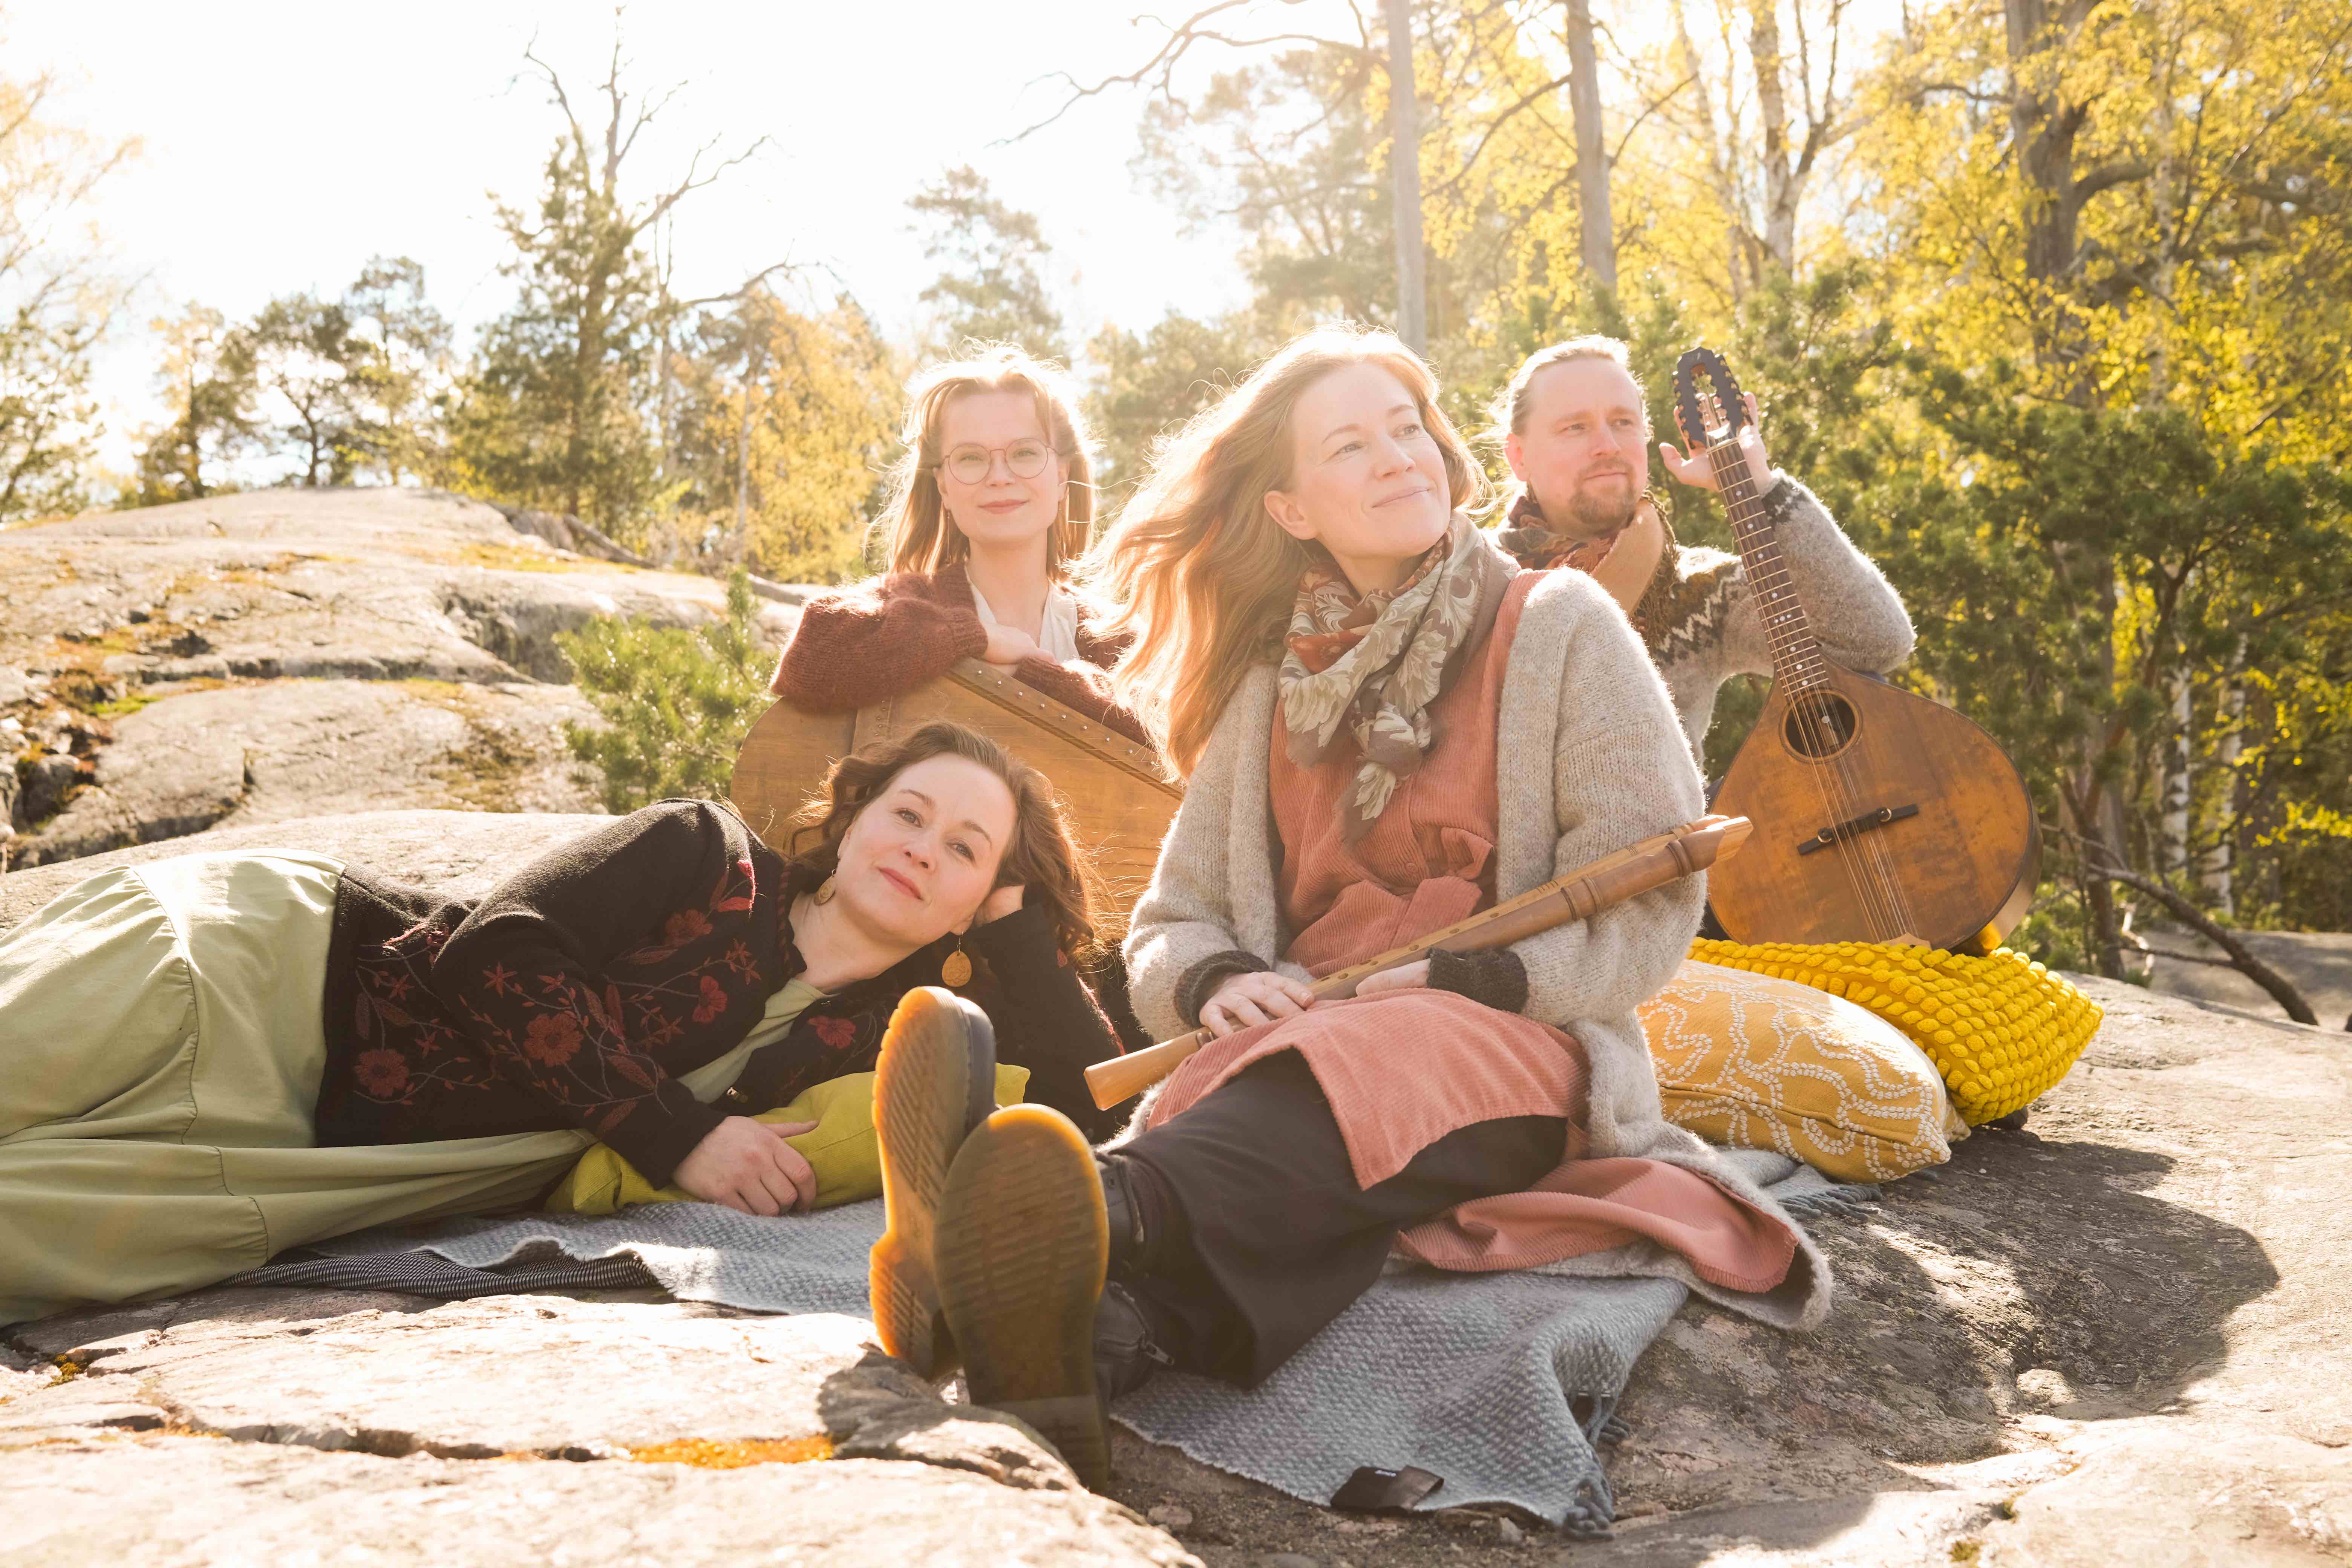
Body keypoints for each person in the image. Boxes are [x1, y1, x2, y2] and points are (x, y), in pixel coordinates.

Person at [867, 325, 1830, 1489]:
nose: (1397, 457)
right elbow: (1175, 919)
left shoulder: (1562, 624)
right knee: (1256, 1086)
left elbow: (1651, 903)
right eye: (1350, 446)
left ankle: (1073, 1209)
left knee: (1368, 1053)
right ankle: (1075, 1351)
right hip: (1301, 1040)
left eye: (1406, 428)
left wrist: (1482, 975)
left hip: (1510, 1041)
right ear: (1289, 508)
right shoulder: (1271, 683)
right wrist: (1218, 983)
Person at [0, 722, 1122, 1328]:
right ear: (854, 814)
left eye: (964, 849)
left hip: (292, 1151)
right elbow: (496, 948)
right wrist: (679, 1132)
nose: (923, 845)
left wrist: (1019, 931)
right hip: (260, 973)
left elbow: (1086, 1101)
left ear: (977, 902)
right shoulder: (710, 854)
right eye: (908, 811)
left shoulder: (881, 1036)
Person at [1490, 335, 1915, 756]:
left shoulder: (1698, 588)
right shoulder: (1474, 582)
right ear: (1519, 456)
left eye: (1623, 422)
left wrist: (1762, 487)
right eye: (1575, 427)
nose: (1609, 446)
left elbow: (1874, 641)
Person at [769, 344, 1144, 743]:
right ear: (944, 487)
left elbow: (1164, 729)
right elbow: (811, 655)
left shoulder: (1118, 637)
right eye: (970, 458)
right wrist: (973, 639)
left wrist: (1033, 676)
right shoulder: (906, 603)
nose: (999, 476)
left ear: (1062, 477)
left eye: (1025, 452)